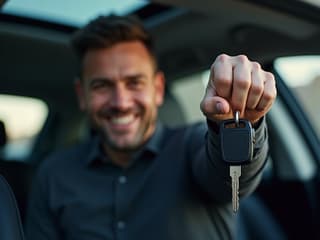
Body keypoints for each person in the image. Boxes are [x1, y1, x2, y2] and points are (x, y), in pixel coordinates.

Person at [25, 15, 276, 240]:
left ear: (157, 88)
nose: (120, 103)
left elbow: (232, 177)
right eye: (102, 85)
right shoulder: (53, 175)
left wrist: (243, 124)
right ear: (82, 95)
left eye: (134, 83)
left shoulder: (192, 144)